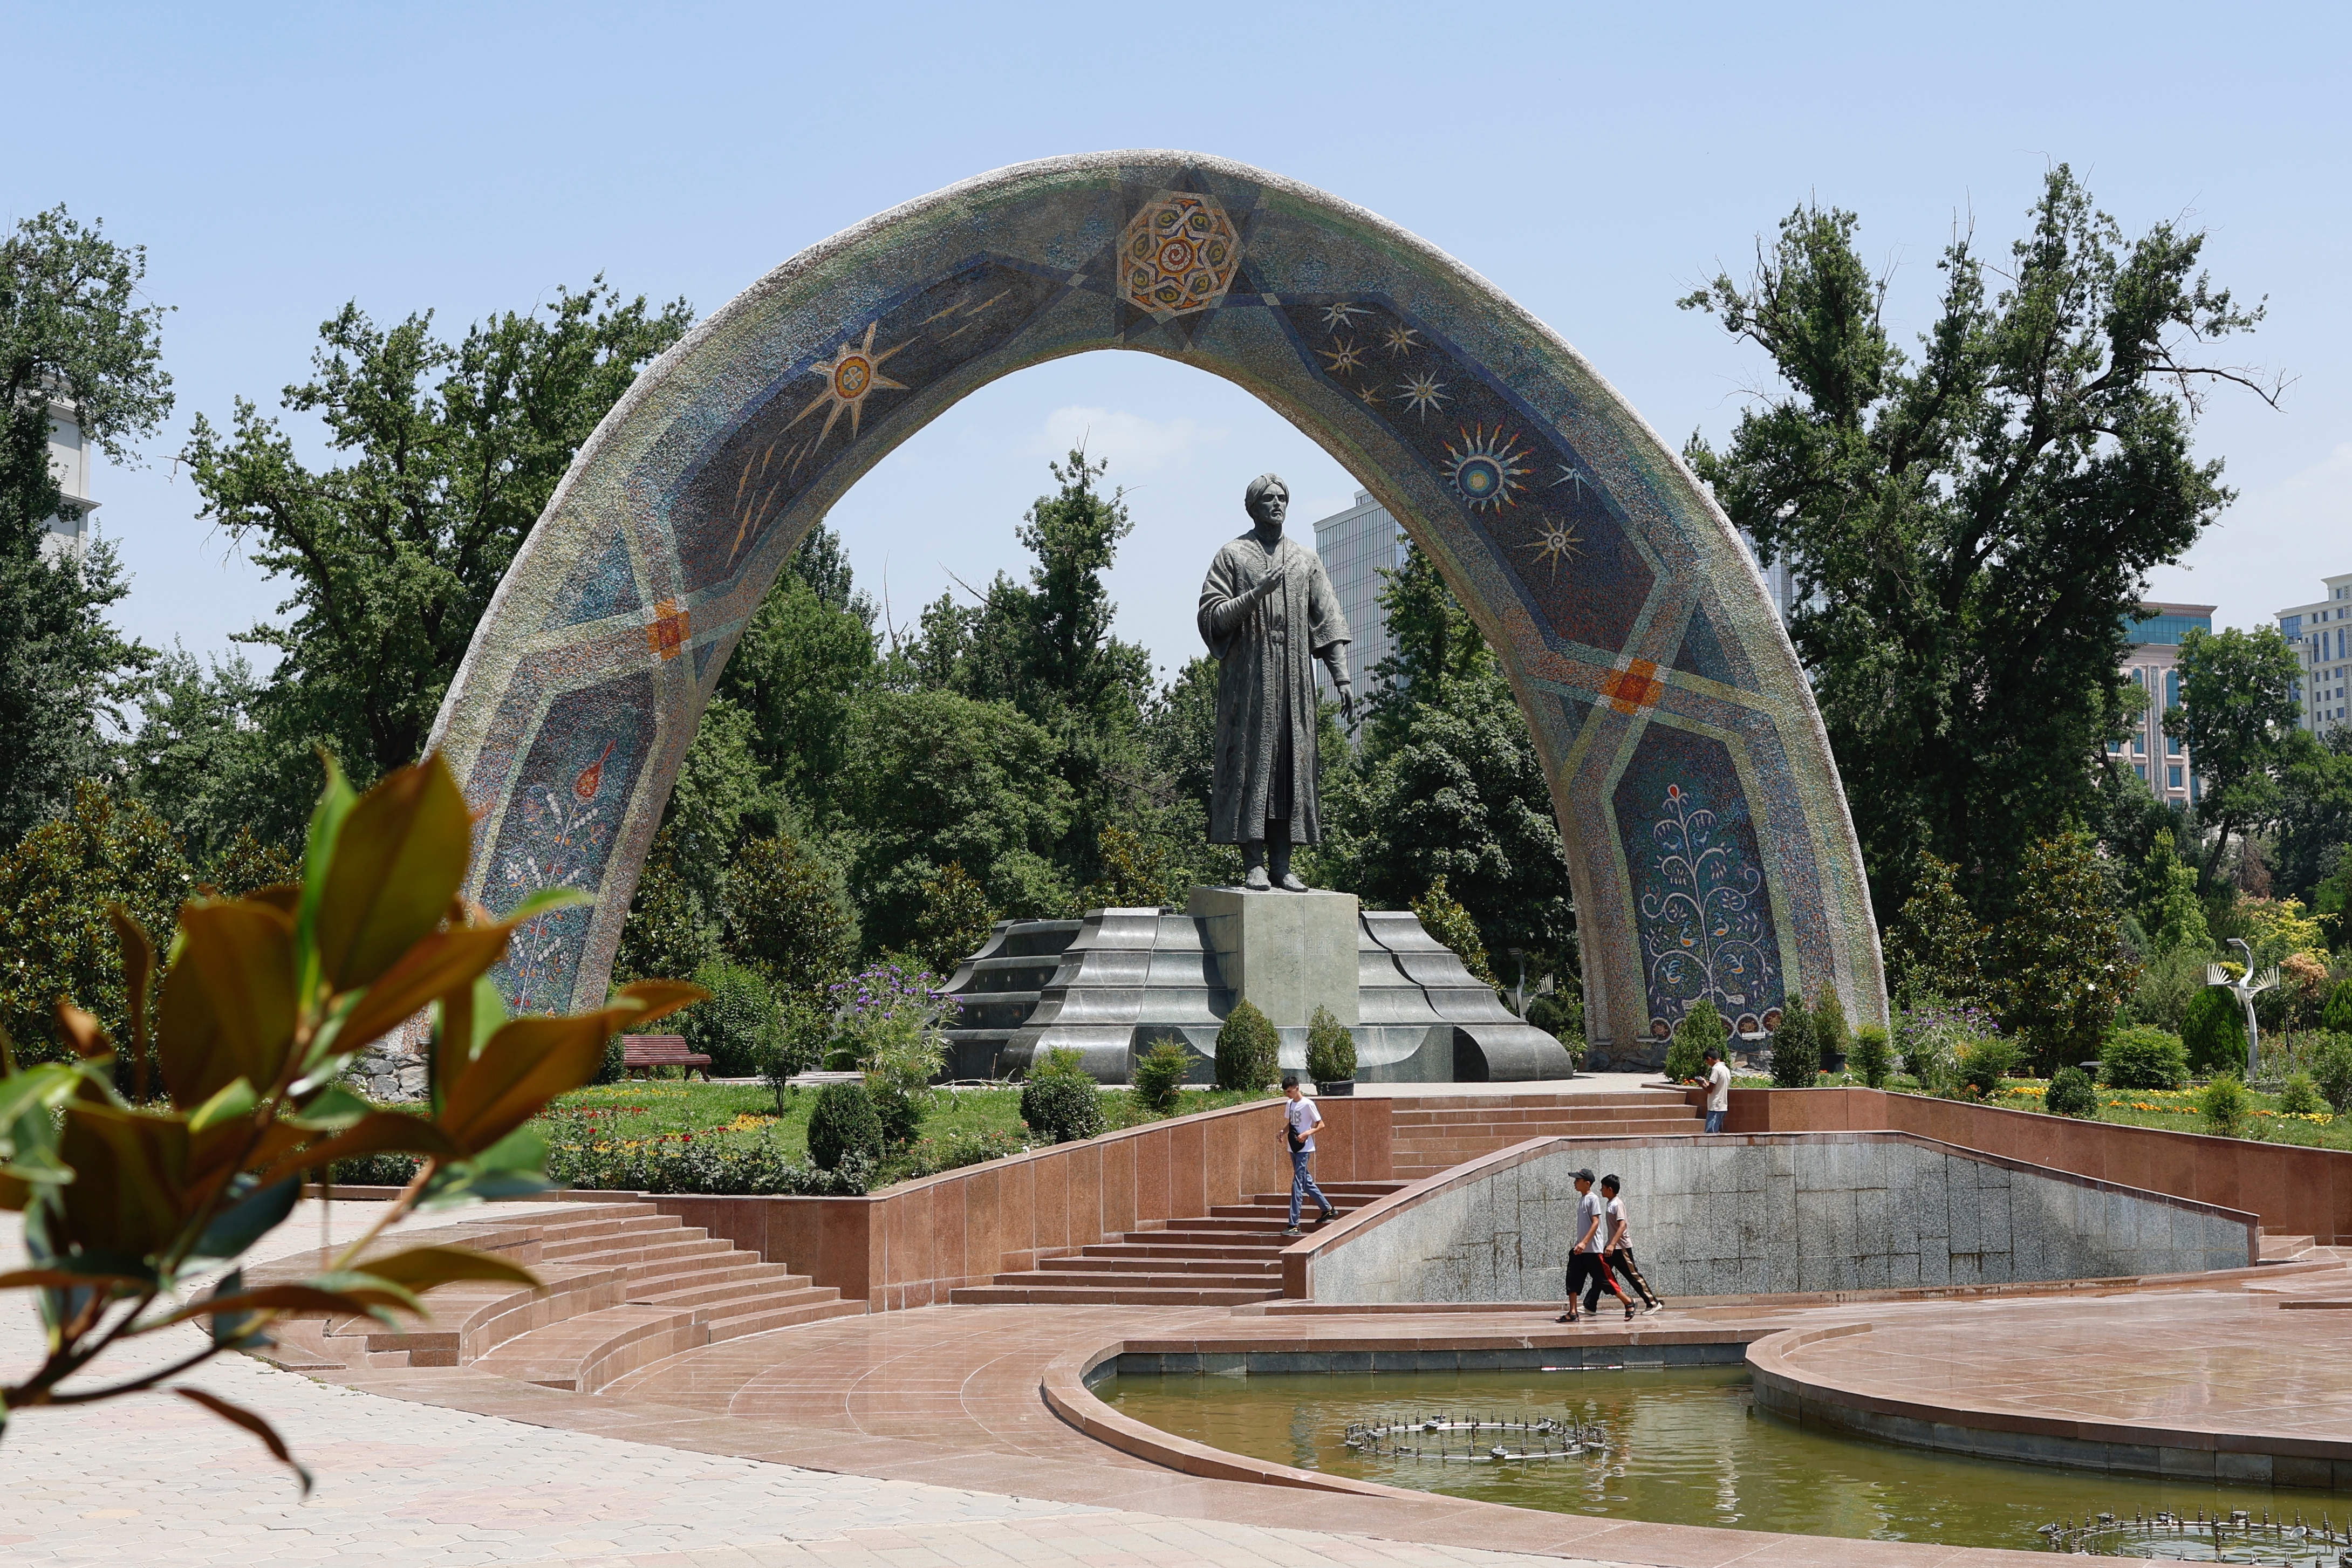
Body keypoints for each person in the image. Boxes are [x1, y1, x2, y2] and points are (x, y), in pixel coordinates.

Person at [1197, 474, 1353, 892]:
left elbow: (1329, 618)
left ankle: (1283, 864)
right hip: (1249, 683)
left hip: (1294, 681)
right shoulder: (1232, 555)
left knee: (1289, 767)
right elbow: (1211, 617)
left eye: (1283, 497)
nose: (1278, 503)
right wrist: (1256, 594)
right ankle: (1254, 862)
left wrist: (1342, 676)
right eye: (1268, 498)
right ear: (1252, 507)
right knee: (1252, 764)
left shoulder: (1304, 559)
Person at [1558, 1168, 1628, 1321]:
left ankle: (1628, 1302)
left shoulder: (1593, 1199)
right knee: (1572, 1278)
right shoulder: (1583, 1199)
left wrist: (1584, 1243)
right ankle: (1573, 1312)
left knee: (1604, 1280)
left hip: (1592, 1250)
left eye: (1578, 1180)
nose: (1575, 1183)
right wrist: (1580, 1244)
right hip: (1581, 1250)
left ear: (1587, 1183)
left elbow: (1596, 1222)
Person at [1599, 1174, 1663, 1314]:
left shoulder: (1617, 1204)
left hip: (1620, 1248)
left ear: (1610, 1189)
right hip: (1612, 1247)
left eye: (1603, 1188)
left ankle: (1653, 1303)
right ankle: (1590, 1305)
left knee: (1633, 1276)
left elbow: (1623, 1226)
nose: (1601, 1190)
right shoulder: (1610, 1203)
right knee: (1601, 1273)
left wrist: (1612, 1244)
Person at [1280, 1076, 1336, 1235]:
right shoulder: (1290, 1104)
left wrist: (1307, 1133)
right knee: (1306, 1182)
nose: (1288, 1094)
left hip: (1305, 1149)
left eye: (1290, 1091)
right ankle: (1328, 1209)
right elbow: (1292, 1123)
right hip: (1293, 1148)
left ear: (1297, 1088)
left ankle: (1294, 1224)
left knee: (1297, 1184)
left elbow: (1321, 1125)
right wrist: (1283, 1132)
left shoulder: (1308, 1104)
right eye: (1286, 1092)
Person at [1703, 1045, 1731, 1134]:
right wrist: (1705, 1082)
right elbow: (1716, 1086)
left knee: (1710, 1134)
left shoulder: (1716, 1069)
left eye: (1707, 1061)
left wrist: (1701, 1084)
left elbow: (1710, 1089)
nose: (1707, 1064)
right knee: (1715, 1132)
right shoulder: (1726, 1069)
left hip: (1715, 1107)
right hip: (1722, 1106)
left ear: (1709, 1058)